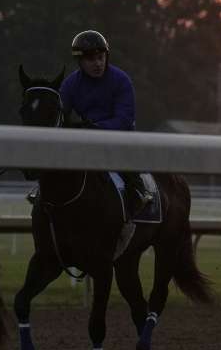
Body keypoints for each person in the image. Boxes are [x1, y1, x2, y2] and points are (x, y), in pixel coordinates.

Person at [58, 30, 155, 217]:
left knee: (129, 173)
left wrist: (95, 128)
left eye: (101, 57)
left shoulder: (121, 80)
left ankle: (139, 193)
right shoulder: (70, 85)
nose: (98, 63)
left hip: (119, 140)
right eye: (91, 59)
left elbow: (124, 119)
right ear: (80, 61)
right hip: (86, 140)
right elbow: (61, 116)